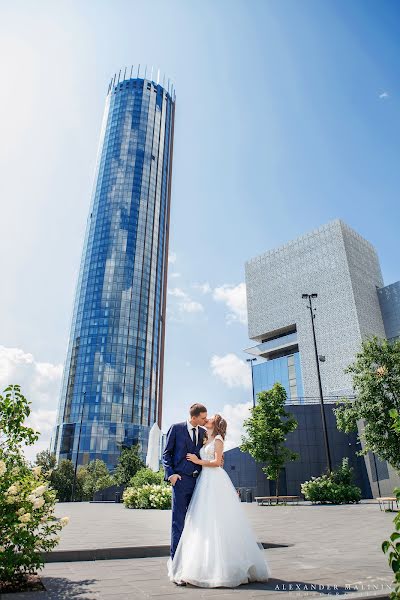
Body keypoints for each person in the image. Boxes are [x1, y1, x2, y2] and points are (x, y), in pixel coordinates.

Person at [166, 413, 271, 588]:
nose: (206, 420)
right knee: (202, 520)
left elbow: (216, 463)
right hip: (202, 480)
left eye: (210, 418)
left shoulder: (219, 439)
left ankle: (224, 566)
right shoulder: (204, 437)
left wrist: (198, 460)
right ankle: (200, 563)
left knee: (217, 519)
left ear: (216, 423)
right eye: (204, 418)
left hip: (214, 480)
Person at [162, 403, 208, 565]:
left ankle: (195, 562)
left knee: (199, 522)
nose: (205, 420)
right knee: (178, 522)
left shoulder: (204, 432)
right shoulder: (176, 429)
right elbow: (166, 454)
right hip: (181, 481)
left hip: (200, 482)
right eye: (203, 417)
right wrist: (171, 475)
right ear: (193, 417)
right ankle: (176, 563)